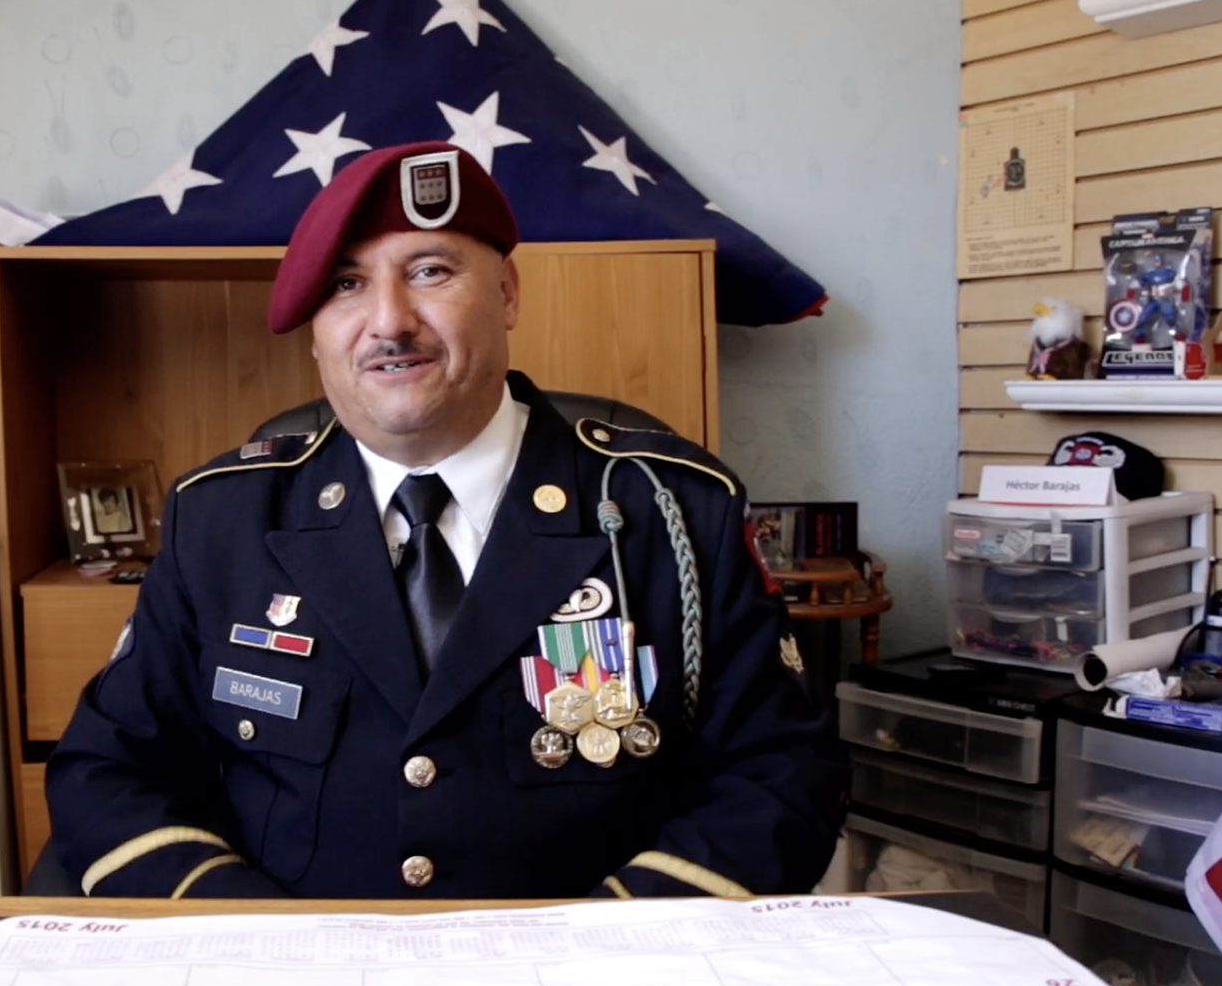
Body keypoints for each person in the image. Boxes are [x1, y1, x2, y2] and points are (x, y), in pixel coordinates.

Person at [45, 140, 841, 899]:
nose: (388, 321)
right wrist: (252, 936)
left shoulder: (673, 511)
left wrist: (609, 949)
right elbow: (108, 770)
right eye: (346, 285)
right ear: (316, 334)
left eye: (428, 271)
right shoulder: (221, 520)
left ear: (507, 294)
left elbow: (780, 776)